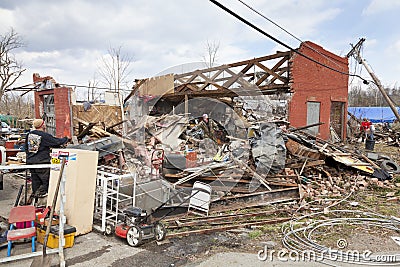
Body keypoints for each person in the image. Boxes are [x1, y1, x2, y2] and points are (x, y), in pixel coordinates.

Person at [25, 119, 69, 197]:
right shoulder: (43, 135)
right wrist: (66, 139)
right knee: (47, 181)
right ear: (42, 125)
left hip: (31, 162)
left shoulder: (29, 135)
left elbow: (26, 148)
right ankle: (46, 198)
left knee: (35, 181)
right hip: (41, 162)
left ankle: (37, 199)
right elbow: (56, 141)